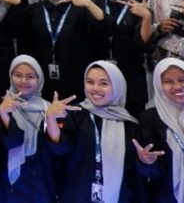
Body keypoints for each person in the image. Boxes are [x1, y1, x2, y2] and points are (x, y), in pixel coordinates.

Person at [52, 61, 146, 202]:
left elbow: (135, 176)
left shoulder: (130, 125)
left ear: (117, 86)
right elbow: (60, 149)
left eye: (104, 83)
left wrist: (145, 161)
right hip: (78, 195)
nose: (95, 88)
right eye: (90, 82)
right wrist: (50, 119)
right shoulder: (75, 114)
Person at [0, 55, 73, 203]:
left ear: (39, 79)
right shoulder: (0, 106)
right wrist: (3, 114)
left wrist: (50, 118)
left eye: (30, 77)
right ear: (10, 76)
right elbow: (11, 142)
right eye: (18, 75)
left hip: (41, 184)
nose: (23, 81)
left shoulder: (50, 108)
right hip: (6, 186)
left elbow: (59, 149)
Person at [23, 0, 106, 102]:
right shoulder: (33, 11)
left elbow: (107, 30)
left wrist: (89, 4)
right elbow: (26, 46)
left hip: (77, 78)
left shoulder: (80, 7)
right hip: (43, 78)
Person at [94, 0, 153, 116]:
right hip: (100, 77)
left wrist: (147, 18)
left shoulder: (140, 5)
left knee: (132, 123)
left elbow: (144, 45)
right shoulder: (96, 4)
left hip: (131, 78)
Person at [137, 58, 184, 202]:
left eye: (182, 79)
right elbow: (151, 172)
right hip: (167, 196)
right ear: (158, 85)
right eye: (168, 81)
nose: (177, 86)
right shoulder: (150, 118)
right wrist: (145, 161)